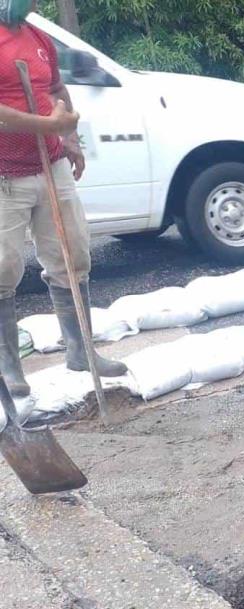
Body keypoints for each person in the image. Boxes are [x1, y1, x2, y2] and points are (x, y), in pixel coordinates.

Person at [0, 0, 125, 397]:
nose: (33, 3)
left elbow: (55, 88)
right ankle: (8, 367)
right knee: (3, 267)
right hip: (6, 173)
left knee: (72, 254)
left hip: (50, 164)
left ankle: (80, 350)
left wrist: (68, 136)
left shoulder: (37, 36)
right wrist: (46, 125)